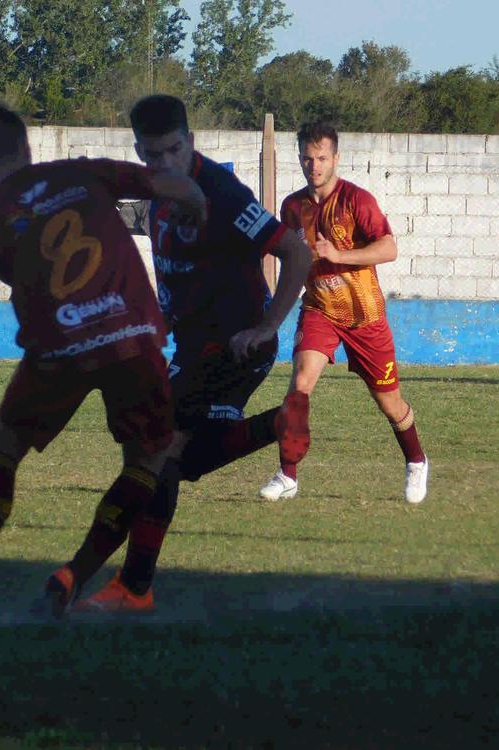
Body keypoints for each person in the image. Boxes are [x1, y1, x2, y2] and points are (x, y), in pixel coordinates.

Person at [0, 101, 209, 622]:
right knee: (147, 462)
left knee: (4, 449)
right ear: (28, 147)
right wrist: (198, 207)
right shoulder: (81, 172)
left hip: (57, 350)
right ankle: (73, 576)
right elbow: (173, 185)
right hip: (130, 338)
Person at [72, 94, 312, 614]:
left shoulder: (223, 193)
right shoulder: (153, 190)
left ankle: (127, 586)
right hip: (193, 345)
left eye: (174, 150)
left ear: (191, 142)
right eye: (153, 154)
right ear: (140, 151)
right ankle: (276, 424)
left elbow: (296, 253)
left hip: (235, 344)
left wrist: (268, 325)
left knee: (157, 453)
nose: (165, 163)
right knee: (177, 460)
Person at [258, 121, 429, 505]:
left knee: (390, 404)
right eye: (307, 158)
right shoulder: (292, 207)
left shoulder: (357, 200)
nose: (314, 166)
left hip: (365, 316)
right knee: (300, 385)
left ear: (335, 158)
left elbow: (389, 249)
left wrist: (339, 255)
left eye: (321, 158)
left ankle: (416, 460)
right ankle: (288, 474)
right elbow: (290, 256)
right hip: (320, 309)